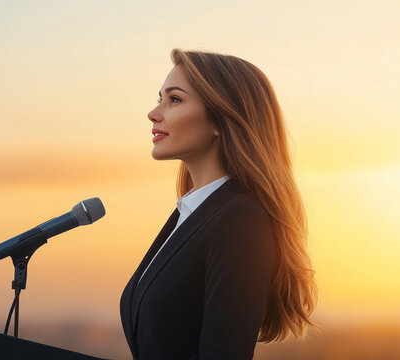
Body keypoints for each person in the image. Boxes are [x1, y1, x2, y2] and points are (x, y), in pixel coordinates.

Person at [119, 49, 319, 360]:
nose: (154, 113)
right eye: (160, 98)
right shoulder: (190, 214)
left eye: (174, 99)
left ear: (220, 119)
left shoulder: (240, 219)